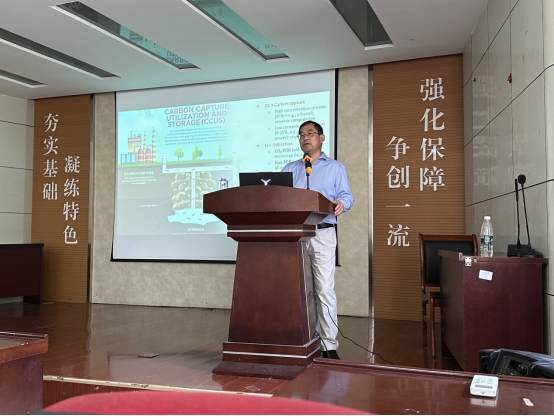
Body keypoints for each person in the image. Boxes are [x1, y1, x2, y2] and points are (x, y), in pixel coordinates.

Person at [282, 120, 354, 359]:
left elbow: (346, 196)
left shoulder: (334, 167)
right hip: (296, 234)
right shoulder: (290, 168)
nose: (305, 137)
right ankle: (304, 339)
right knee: (299, 290)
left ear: (321, 138)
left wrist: (342, 202)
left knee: (323, 288)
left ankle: (328, 346)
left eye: (310, 133)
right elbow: (279, 197)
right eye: (301, 134)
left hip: (323, 232)